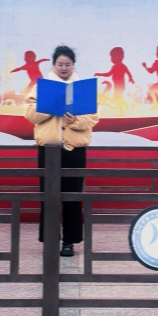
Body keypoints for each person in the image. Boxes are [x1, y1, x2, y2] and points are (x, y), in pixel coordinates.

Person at [24, 45, 99, 257]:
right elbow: (29, 113)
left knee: (72, 197)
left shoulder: (83, 88)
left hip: (74, 150)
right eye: (60, 64)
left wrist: (75, 120)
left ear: (73, 65)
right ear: (54, 65)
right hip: (48, 149)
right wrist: (48, 106)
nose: (64, 68)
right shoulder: (41, 87)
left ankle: (69, 241)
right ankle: (49, 239)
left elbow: (93, 116)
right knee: (49, 196)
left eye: (68, 64)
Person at [94, 46, 134, 116]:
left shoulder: (120, 66)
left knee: (116, 98)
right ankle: (124, 105)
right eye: (112, 56)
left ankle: (122, 112)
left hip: (120, 86)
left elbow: (109, 74)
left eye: (115, 56)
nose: (113, 58)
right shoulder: (116, 66)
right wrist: (99, 74)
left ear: (122, 56)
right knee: (117, 98)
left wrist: (130, 78)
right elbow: (109, 74)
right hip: (118, 85)